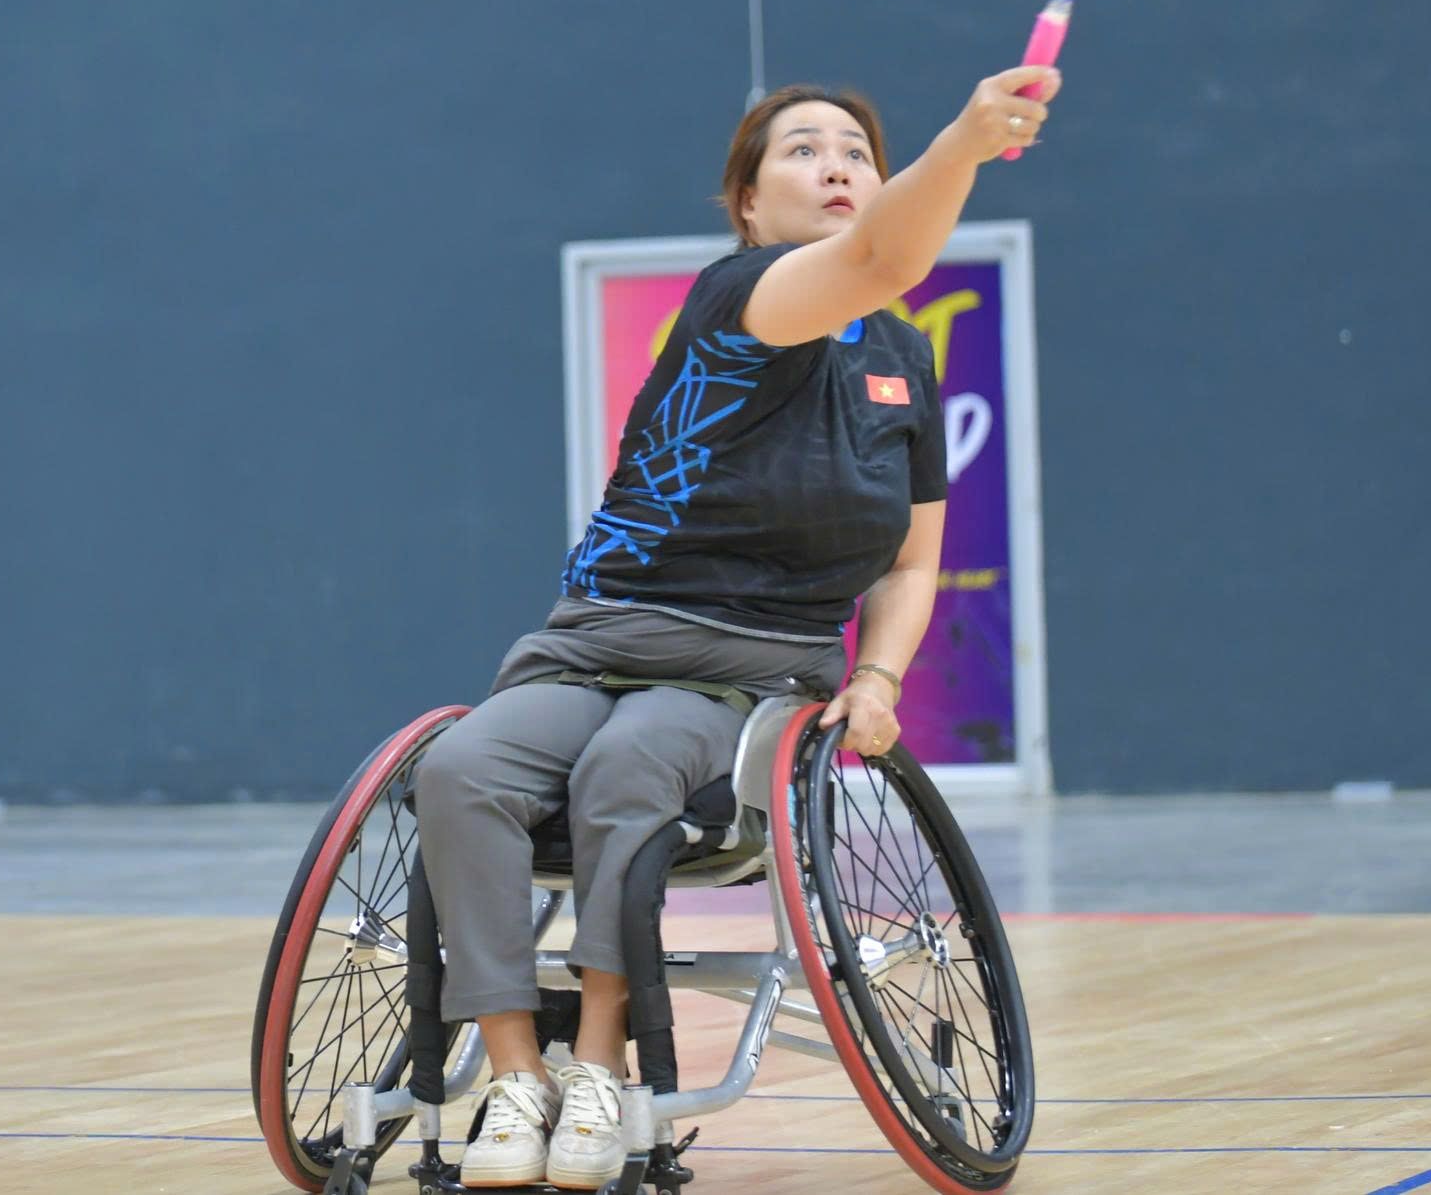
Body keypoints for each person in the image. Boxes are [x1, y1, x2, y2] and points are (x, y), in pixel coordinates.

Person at [412, 64, 1056, 1187]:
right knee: (459, 767)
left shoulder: (902, 356)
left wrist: (880, 679)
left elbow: (912, 560)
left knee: (631, 764)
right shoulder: (737, 299)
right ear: (749, 207)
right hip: (597, 639)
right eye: (804, 150)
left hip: (749, 673)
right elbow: (880, 260)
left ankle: (599, 1060)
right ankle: (516, 1073)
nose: (837, 165)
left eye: (856, 152)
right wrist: (963, 140)